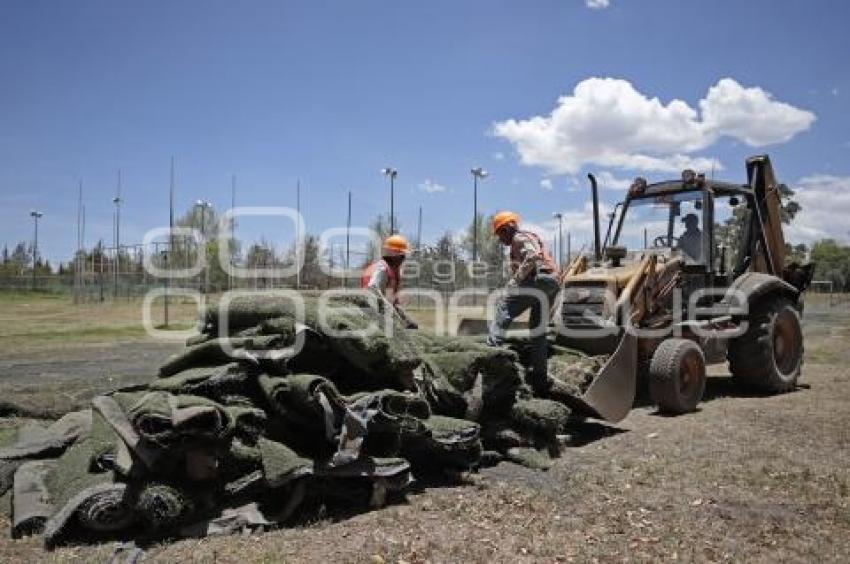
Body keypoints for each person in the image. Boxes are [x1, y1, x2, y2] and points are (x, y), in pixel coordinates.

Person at [487, 211, 566, 397]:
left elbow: (533, 256)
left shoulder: (519, 238)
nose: (500, 239)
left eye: (500, 234)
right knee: (537, 329)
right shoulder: (522, 239)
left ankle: (491, 351)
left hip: (540, 280)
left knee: (504, 307)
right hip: (552, 283)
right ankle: (540, 377)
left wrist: (515, 280)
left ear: (508, 228)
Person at [361, 234, 418, 329]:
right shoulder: (382, 269)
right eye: (402, 256)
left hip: (384, 311)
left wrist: (403, 317)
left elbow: (392, 300)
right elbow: (372, 291)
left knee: (411, 326)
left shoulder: (392, 270)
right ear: (393, 255)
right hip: (373, 313)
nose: (403, 259)